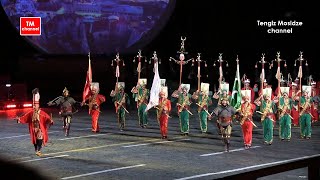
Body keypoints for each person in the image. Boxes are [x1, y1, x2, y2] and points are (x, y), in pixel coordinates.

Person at [17, 88, 53, 156]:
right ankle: (36, 149)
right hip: (33, 128)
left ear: (38, 106)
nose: (34, 107)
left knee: (40, 137)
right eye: (33, 106)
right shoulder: (30, 112)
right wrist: (19, 119)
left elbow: (47, 118)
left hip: (40, 128)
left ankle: (38, 150)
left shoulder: (42, 112)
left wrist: (50, 121)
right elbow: (25, 118)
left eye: (35, 105)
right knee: (35, 140)